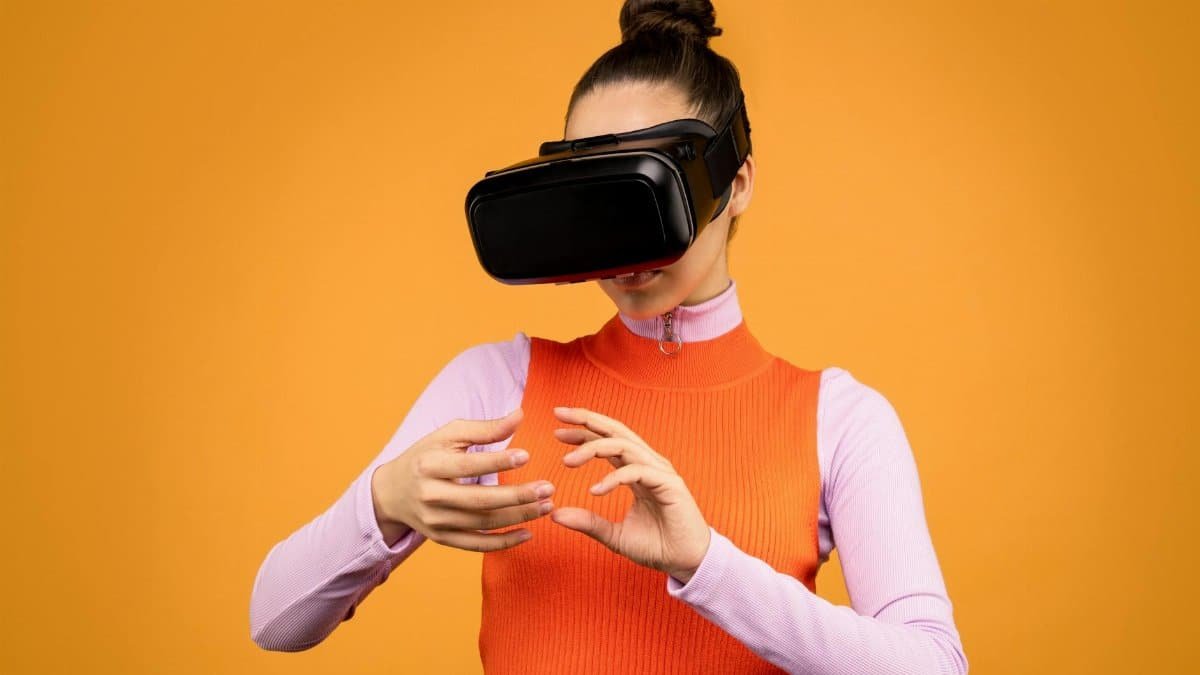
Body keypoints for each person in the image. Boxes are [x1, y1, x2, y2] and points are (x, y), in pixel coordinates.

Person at [249, 1, 968, 673]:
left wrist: (706, 563)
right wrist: (381, 500)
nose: (626, 245)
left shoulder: (840, 420)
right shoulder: (497, 384)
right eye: (598, 198)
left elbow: (934, 664)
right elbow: (274, 618)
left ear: (737, 181)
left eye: (648, 192)